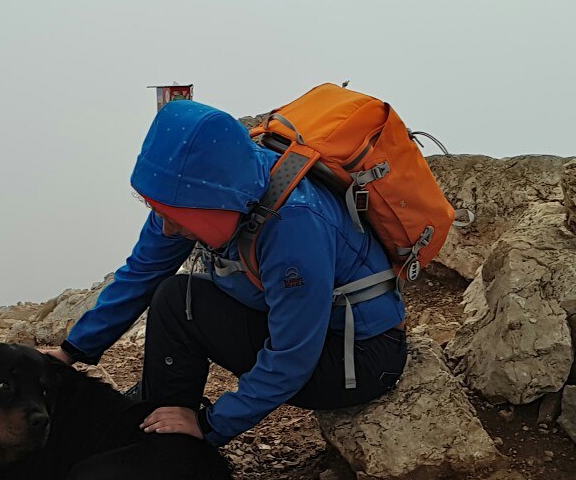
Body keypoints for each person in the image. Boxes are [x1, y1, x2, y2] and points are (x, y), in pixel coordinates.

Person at [45, 99, 408, 446]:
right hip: (310, 331)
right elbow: (142, 271)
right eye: (160, 212)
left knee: (180, 303)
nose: (167, 228)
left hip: (356, 359)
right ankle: (157, 422)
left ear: (215, 202)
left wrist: (209, 424)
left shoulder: (294, 226)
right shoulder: (198, 189)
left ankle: (173, 450)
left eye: (176, 218)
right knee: (176, 297)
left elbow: (293, 354)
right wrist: (72, 350)